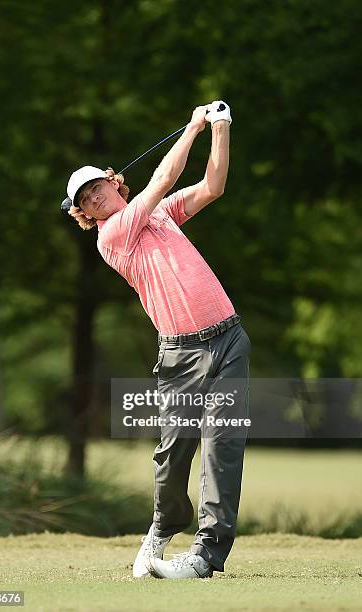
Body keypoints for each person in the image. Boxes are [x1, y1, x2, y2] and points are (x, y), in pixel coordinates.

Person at [65, 101, 251, 580]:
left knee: (222, 448)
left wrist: (221, 127)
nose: (92, 200)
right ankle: (162, 528)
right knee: (174, 452)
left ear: (112, 182)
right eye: (84, 200)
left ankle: (207, 556)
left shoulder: (162, 216)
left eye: (95, 189)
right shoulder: (113, 237)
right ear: (85, 214)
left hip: (228, 339)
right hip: (181, 353)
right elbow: (162, 181)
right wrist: (192, 126)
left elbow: (213, 186)